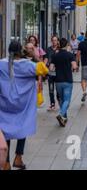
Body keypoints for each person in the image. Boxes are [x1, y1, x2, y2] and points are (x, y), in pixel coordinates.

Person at [0, 41, 49, 170]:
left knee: (5, 130)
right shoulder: (28, 65)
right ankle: (18, 157)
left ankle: (6, 163)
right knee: (23, 126)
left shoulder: (1, 64)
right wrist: (35, 55)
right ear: (21, 51)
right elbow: (45, 70)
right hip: (23, 104)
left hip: (4, 104)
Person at [50, 38, 77, 127]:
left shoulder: (55, 55)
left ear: (59, 45)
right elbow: (74, 66)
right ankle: (61, 114)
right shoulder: (70, 55)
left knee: (61, 100)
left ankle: (64, 118)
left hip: (58, 81)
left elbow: (51, 68)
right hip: (68, 80)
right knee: (67, 100)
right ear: (66, 45)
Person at [44, 36, 60, 111]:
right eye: (53, 40)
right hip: (50, 73)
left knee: (57, 89)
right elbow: (46, 59)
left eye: (55, 40)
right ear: (51, 41)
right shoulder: (48, 49)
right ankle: (52, 104)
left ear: (57, 41)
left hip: (58, 73)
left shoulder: (59, 50)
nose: (54, 42)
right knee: (51, 89)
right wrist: (44, 68)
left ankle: (59, 101)